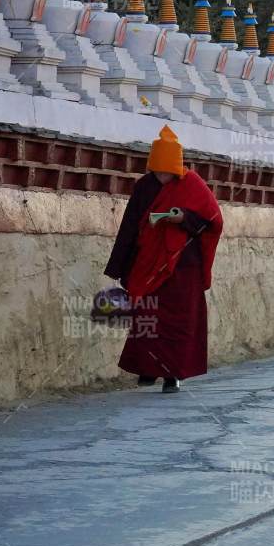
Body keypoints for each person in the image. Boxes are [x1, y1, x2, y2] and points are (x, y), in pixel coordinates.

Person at [104, 125, 223, 392]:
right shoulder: (144, 187)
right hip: (148, 263)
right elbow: (130, 226)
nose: (162, 176)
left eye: (166, 172)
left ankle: (173, 375)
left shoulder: (193, 185)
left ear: (177, 169)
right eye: (157, 171)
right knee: (148, 317)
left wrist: (184, 219)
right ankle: (148, 369)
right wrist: (120, 265)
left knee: (178, 323)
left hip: (183, 266)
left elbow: (213, 222)